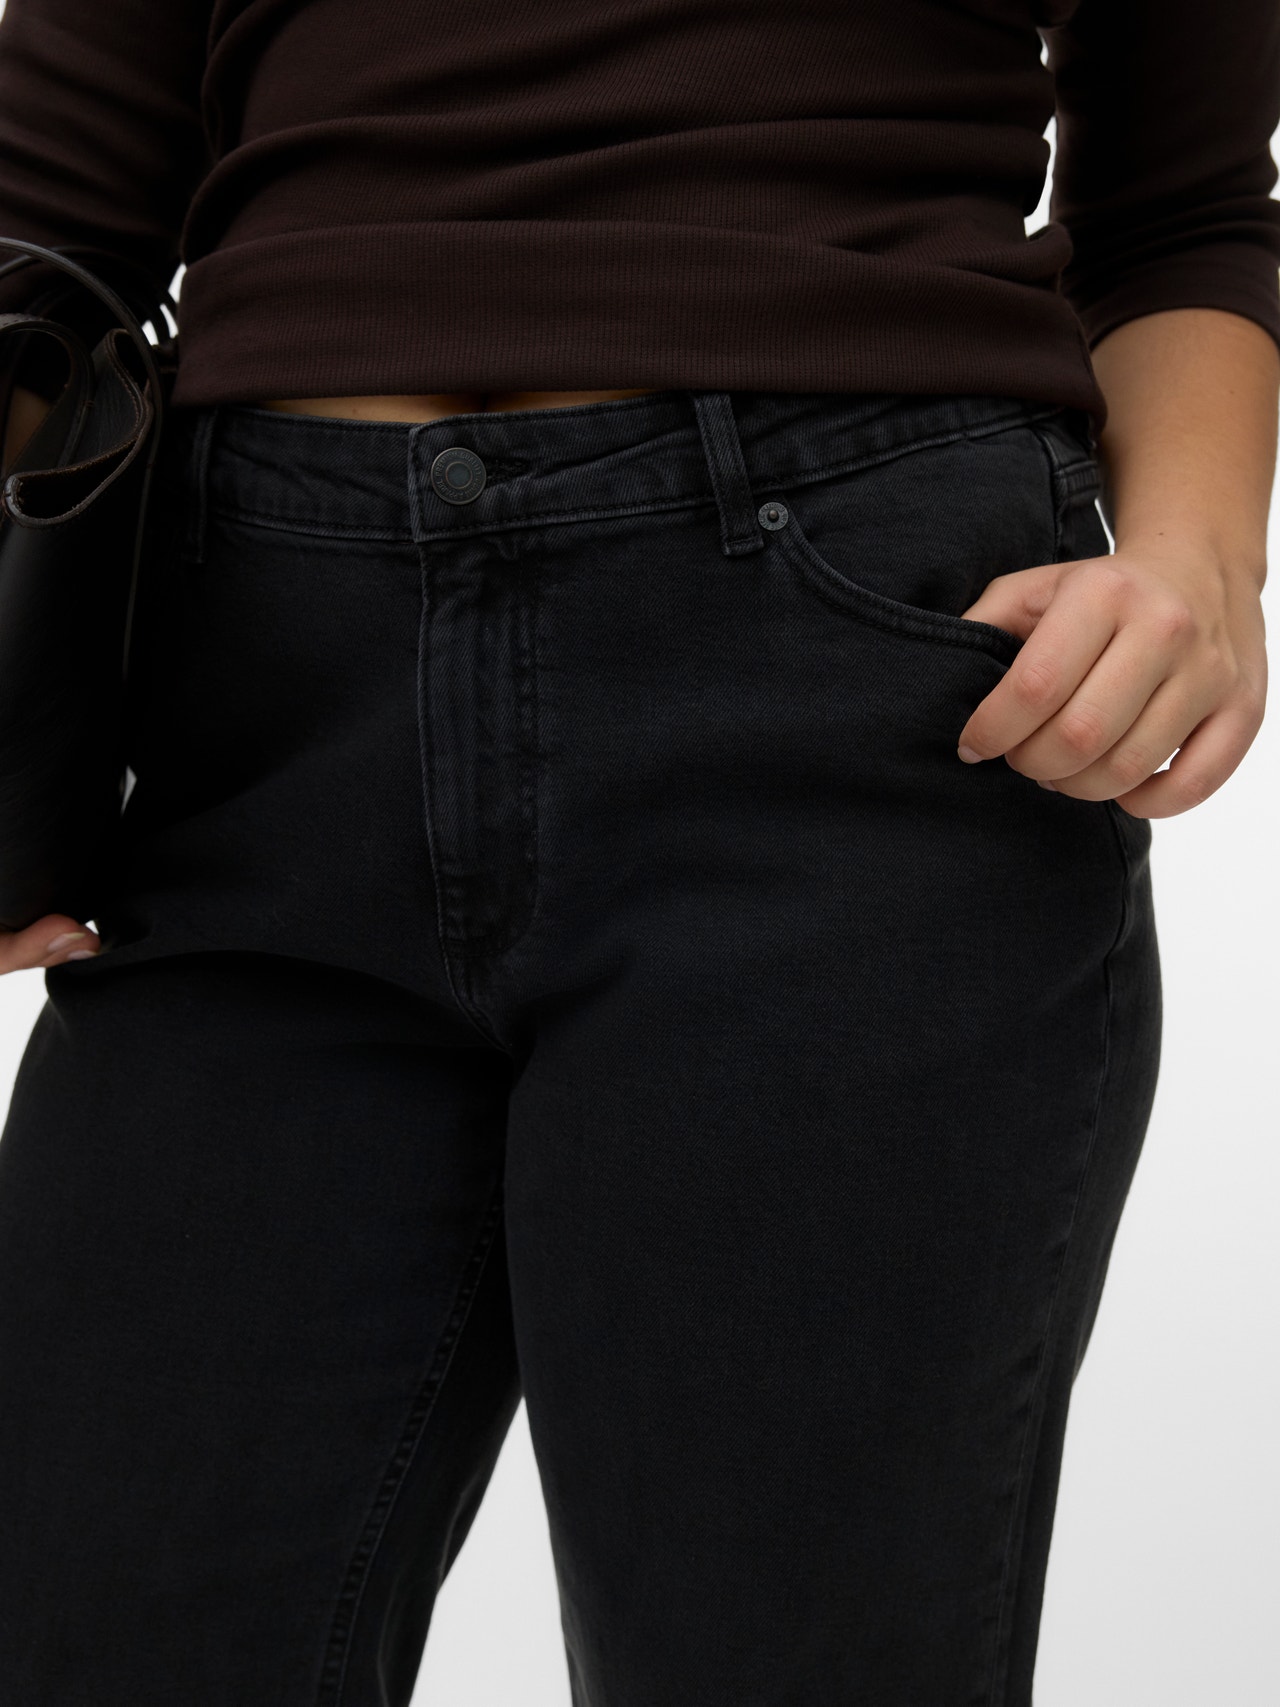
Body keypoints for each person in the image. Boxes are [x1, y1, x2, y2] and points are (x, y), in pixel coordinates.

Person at [0, 3, 1275, 1703]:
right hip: (261, 693)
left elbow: (1183, 199)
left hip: (842, 680)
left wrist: (1198, 561)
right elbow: (51, 209)